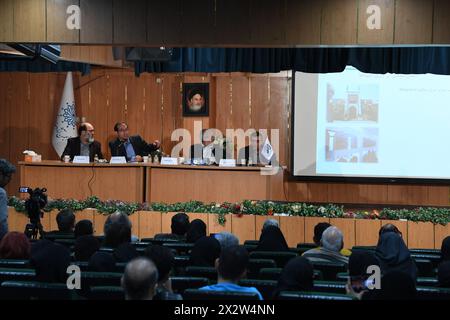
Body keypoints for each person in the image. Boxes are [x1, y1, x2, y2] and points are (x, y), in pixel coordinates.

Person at [0, 159, 15, 240]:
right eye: (8, 177)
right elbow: (1, 222)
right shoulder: (1, 193)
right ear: (1, 174)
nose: (9, 181)